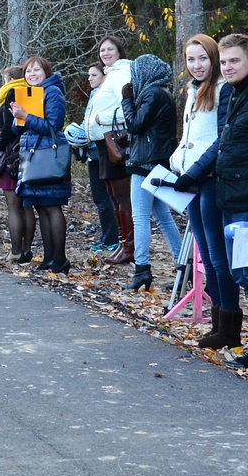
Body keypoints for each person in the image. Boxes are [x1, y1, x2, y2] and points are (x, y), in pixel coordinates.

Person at [169, 34, 240, 348]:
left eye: (203, 58)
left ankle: (230, 328)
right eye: (190, 59)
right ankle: (217, 326)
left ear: (214, 59)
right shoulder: (193, 91)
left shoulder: (224, 90)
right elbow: (188, 138)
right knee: (207, 259)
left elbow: (220, 140)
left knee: (219, 257)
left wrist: (195, 170)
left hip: (211, 181)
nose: (196, 65)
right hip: (190, 182)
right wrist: (175, 163)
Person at [215, 34, 248, 369]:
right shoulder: (235, 94)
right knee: (242, 275)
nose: (228, 67)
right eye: (224, 62)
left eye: (234, 60)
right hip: (230, 199)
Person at [120, 54, 182, 291]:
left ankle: (142, 269)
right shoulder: (161, 92)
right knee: (163, 217)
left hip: (145, 163)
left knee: (140, 216)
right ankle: (181, 266)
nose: (132, 80)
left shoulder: (152, 93)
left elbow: (135, 123)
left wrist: (126, 100)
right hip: (156, 160)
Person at [10, 56, 72, 273]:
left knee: (52, 207)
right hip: (32, 156)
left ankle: (60, 259)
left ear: (46, 72)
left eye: (36, 70)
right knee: (40, 207)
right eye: (28, 71)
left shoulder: (53, 92)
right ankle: (48, 257)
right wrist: (17, 117)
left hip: (47, 155)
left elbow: (54, 125)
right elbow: (19, 128)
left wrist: (26, 116)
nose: (32, 74)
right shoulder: (30, 93)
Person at [86, 36, 134, 265]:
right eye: (102, 50)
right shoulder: (110, 74)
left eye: (110, 49)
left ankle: (129, 247)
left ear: (119, 51)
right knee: (113, 196)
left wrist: (98, 118)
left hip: (115, 141)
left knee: (122, 196)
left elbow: (127, 110)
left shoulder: (122, 73)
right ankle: (122, 244)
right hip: (101, 143)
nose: (105, 53)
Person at [0, 66, 35, 262]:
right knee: (27, 206)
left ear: (9, 79)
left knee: (14, 206)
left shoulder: (11, 93)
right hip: (29, 154)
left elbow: (9, 127)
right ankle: (26, 250)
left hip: (12, 156)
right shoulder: (32, 92)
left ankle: (16, 251)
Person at [77, 63, 119, 252]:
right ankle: (107, 235)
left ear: (104, 76)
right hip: (91, 149)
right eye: (89, 75)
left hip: (101, 149)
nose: (90, 78)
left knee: (104, 196)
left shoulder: (105, 95)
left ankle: (111, 238)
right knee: (100, 197)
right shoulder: (94, 95)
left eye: (94, 75)